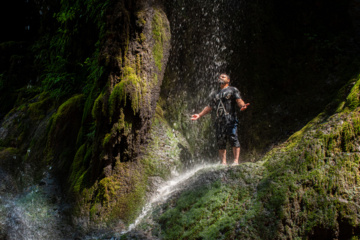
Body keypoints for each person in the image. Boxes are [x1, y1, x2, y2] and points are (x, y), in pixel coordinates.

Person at [191, 73, 250, 165]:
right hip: (219, 121)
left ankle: (235, 161)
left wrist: (242, 105)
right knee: (220, 140)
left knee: (233, 137)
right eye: (219, 77)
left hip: (230, 118)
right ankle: (223, 162)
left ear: (228, 80)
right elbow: (209, 106)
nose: (220, 78)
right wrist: (199, 115)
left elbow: (239, 100)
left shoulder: (232, 89)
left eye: (223, 77)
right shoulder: (215, 94)